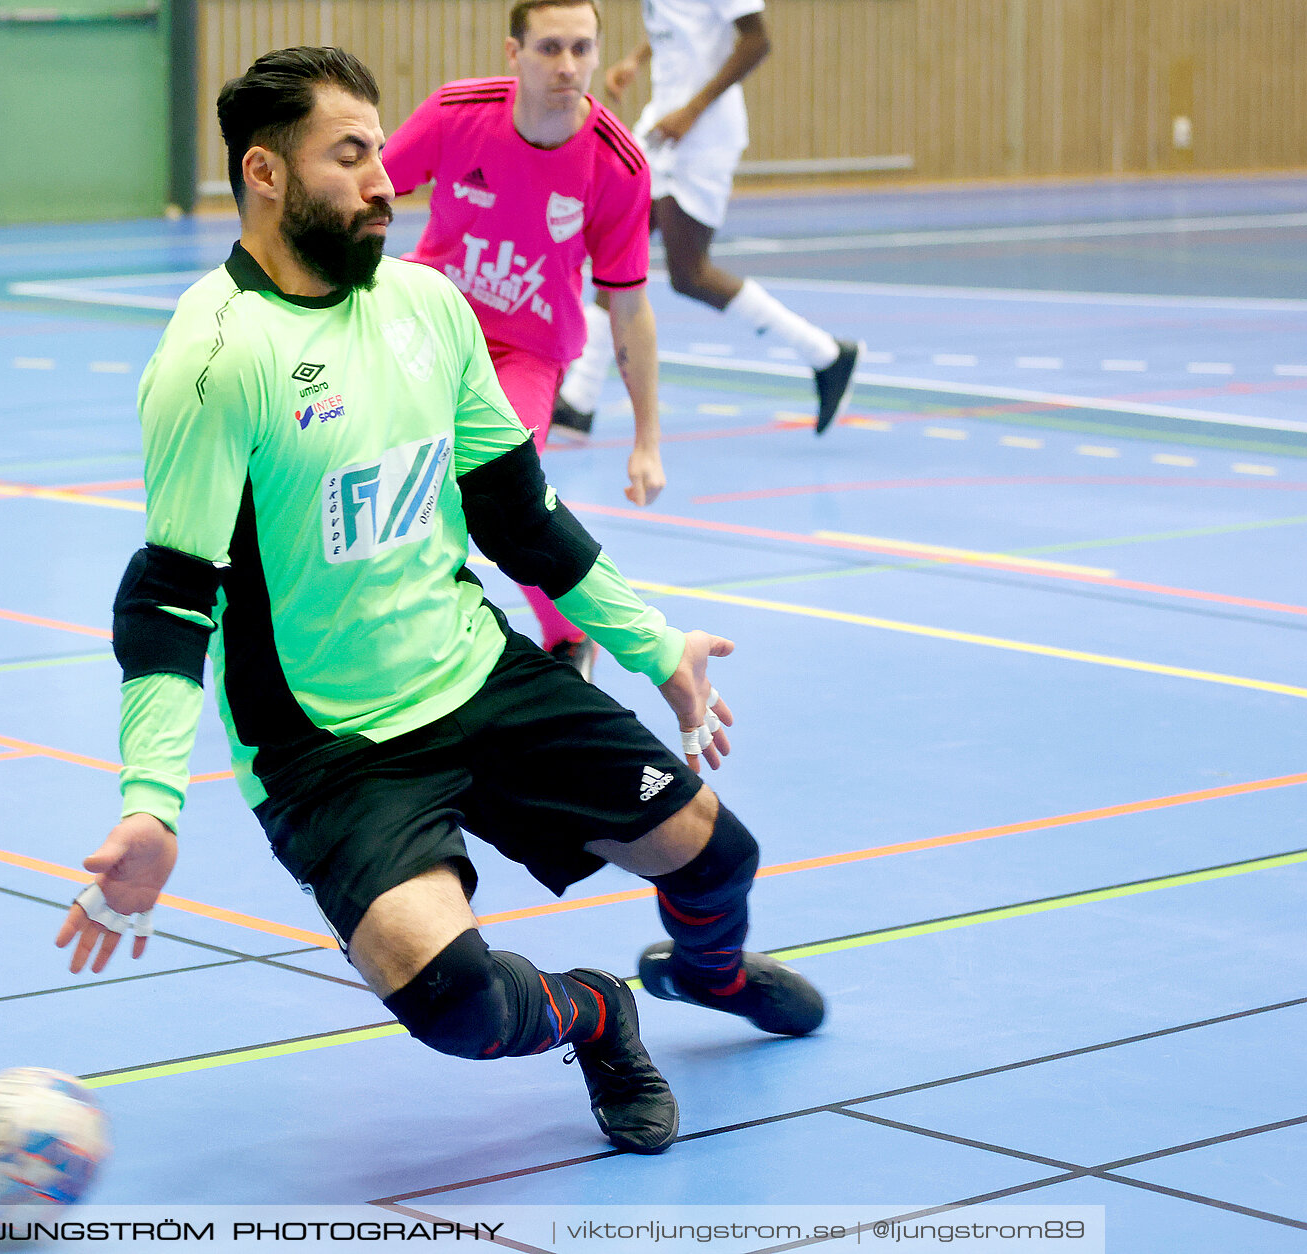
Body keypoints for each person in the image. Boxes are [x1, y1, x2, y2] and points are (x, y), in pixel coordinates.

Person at [55, 45, 824, 1157]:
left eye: (381, 152)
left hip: (473, 670)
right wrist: (150, 804)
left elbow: (520, 515)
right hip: (331, 747)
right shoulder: (217, 357)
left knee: (716, 858)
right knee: (459, 1005)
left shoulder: (425, 307)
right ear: (266, 174)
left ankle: (709, 973)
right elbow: (171, 599)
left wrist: (653, 645)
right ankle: (601, 1011)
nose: (383, 181)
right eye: (350, 155)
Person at [383, 0, 663, 681]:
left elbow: (629, 307)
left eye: (582, 48)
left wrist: (647, 439)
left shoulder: (617, 165)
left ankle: (567, 636)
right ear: (514, 54)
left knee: (499, 494)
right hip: (431, 323)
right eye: (549, 48)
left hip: (527, 354)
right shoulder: (456, 114)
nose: (568, 66)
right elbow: (366, 196)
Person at [552, 0, 861, 437]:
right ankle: (579, 402)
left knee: (690, 273)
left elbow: (758, 40)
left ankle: (827, 355)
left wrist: (692, 111)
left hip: (703, 135)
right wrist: (637, 59)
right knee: (615, 251)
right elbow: (683, 27)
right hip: (662, 125)